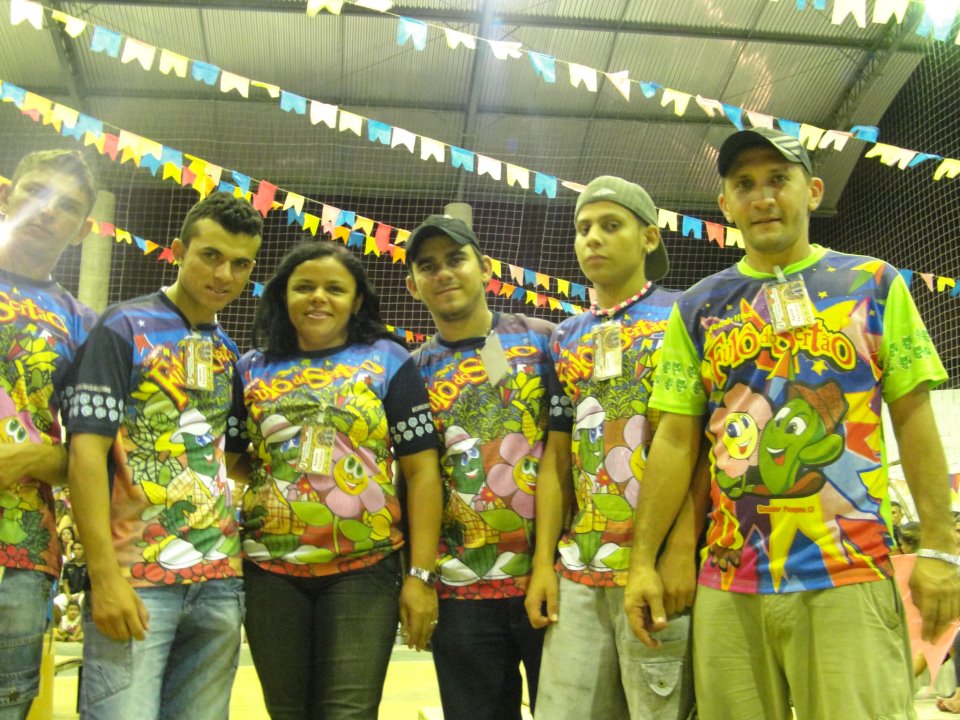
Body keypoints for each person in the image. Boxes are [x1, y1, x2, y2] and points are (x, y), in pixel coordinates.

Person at [624, 126, 959, 720]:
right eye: (744, 184)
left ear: (813, 191)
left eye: (778, 179)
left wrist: (940, 548)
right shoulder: (698, 308)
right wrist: (643, 562)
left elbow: (913, 420)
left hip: (849, 575)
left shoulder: (874, 284)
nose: (762, 197)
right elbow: (674, 442)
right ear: (726, 205)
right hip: (730, 582)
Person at [63, 192, 263, 720]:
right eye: (211, 256)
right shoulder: (122, 327)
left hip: (219, 583)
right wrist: (104, 575)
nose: (224, 275)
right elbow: (85, 455)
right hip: (135, 579)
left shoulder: (228, 353)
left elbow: (233, 460)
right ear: (177, 251)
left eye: (241, 264)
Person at [235, 241, 442, 719]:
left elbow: (421, 471)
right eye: (304, 287)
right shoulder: (250, 368)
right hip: (270, 573)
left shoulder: (389, 360)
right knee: (286, 713)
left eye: (334, 288)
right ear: (282, 296)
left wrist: (420, 576)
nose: (318, 297)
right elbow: (230, 457)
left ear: (357, 300)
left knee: (349, 713)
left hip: (365, 571)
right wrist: (279, 484)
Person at [527, 176, 696, 719]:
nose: (592, 238)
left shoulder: (684, 315)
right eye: (583, 228)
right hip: (578, 568)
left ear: (649, 237)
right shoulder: (565, 338)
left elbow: (699, 447)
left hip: (659, 570)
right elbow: (557, 458)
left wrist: (680, 549)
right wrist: (544, 564)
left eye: (610, 225)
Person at [404, 214, 556, 719]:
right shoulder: (411, 373)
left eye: (455, 259)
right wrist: (418, 577)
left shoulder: (545, 341)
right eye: (428, 266)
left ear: (485, 268)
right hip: (460, 592)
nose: (444, 273)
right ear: (413, 285)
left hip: (550, 580)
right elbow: (412, 482)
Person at [0, 149, 97, 720]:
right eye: (36, 192)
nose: (46, 211)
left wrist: (32, 458)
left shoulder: (83, 325)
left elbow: (93, 453)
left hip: (21, 548)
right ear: (6, 194)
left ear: (83, 229)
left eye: (66, 206)